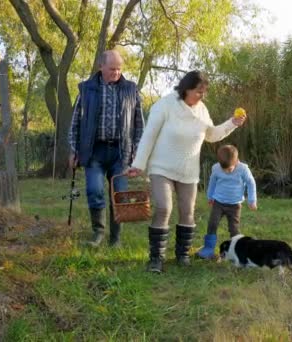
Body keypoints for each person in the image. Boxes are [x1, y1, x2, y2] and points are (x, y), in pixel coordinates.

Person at [127, 70, 246, 273]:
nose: (202, 96)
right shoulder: (165, 105)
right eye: (199, 91)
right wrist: (138, 164)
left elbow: (211, 134)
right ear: (186, 88)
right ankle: (156, 258)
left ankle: (182, 255)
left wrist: (231, 124)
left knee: (187, 212)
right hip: (161, 167)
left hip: (188, 170)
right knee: (164, 208)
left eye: (204, 92)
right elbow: (149, 135)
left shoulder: (201, 110)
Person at [68, 50, 144, 247]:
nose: (116, 73)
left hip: (121, 152)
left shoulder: (131, 89)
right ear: (101, 67)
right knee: (94, 191)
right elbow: (75, 122)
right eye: (112, 69)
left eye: (119, 69)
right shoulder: (86, 89)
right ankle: (98, 233)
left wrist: (137, 152)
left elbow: (139, 124)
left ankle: (116, 238)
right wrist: (74, 150)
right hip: (94, 151)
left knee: (119, 196)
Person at [196, 145, 257, 259]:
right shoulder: (216, 168)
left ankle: (238, 251)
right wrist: (210, 196)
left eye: (229, 169)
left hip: (235, 205)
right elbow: (212, 182)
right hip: (218, 203)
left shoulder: (243, 169)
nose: (227, 172)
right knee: (212, 224)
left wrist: (252, 200)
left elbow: (251, 183)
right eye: (224, 169)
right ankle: (208, 249)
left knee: (234, 228)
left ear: (237, 161)